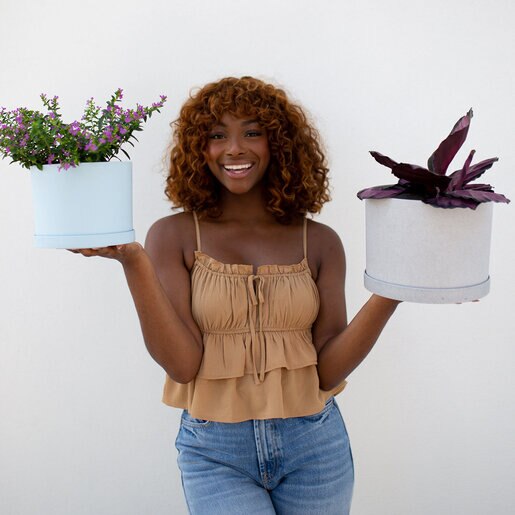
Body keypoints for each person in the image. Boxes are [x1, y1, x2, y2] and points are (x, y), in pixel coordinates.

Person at [69, 76, 401, 514]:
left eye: (252, 132)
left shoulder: (320, 242)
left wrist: (392, 293)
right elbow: (182, 366)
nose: (234, 149)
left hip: (316, 444)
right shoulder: (173, 235)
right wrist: (133, 261)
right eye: (217, 135)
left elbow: (328, 371)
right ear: (199, 149)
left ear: (279, 144)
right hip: (216, 450)